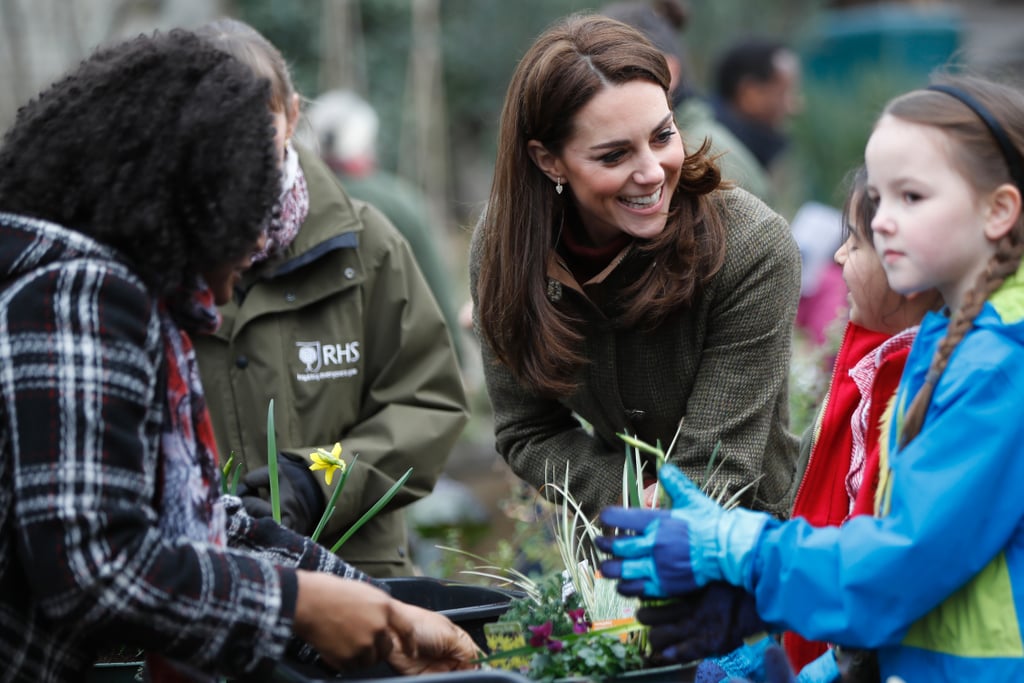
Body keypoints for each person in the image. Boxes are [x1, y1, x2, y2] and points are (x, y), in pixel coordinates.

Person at [0, 30, 477, 682]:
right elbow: (92, 565)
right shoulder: (79, 292)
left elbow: (205, 526)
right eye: (246, 210)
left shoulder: (122, 296)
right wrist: (299, 604)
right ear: (183, 199)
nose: (258, 241)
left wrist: (377, 605)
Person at [599, 73, 1024, 681]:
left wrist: (740, 550)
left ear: (999, 210)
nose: (879, 224)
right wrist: (779, 620)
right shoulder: (960, 346)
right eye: (877, 199)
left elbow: (904, 562)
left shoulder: (1001, 365)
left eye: (912, 198)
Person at [469, 12, 802, 524]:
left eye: (663, 135)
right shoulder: (506, 245)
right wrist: (624, 491)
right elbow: (527, 430)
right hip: (611, 545)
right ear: (548, 160)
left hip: (749, 541)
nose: (651, 172)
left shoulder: (749, 248)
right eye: (613, 155)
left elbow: (718, 470)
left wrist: (656, 507)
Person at [192, 18, 469, 578]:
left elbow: (428, 404)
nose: (237, 157)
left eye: (256, 131)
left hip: (354, 579)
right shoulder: (153, 259)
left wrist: (317, 481)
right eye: (214, 137)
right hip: (200, 589)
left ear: (292, 115)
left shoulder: (366, 245)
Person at [303, 89, 467, 365]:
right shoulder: (401, 203)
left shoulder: (296, 202)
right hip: (391, 360)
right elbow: (435, 294)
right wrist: (457, 359)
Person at [599, 0, 772, 202]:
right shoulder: (690, 141)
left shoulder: (701, 158)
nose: (603, 86)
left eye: (620, 72)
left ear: (668, 71)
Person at [711, 37, 803, 175]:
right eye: (784, 93)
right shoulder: (721, 164)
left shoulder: (744, 155)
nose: (795, 107)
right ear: (750, 94)